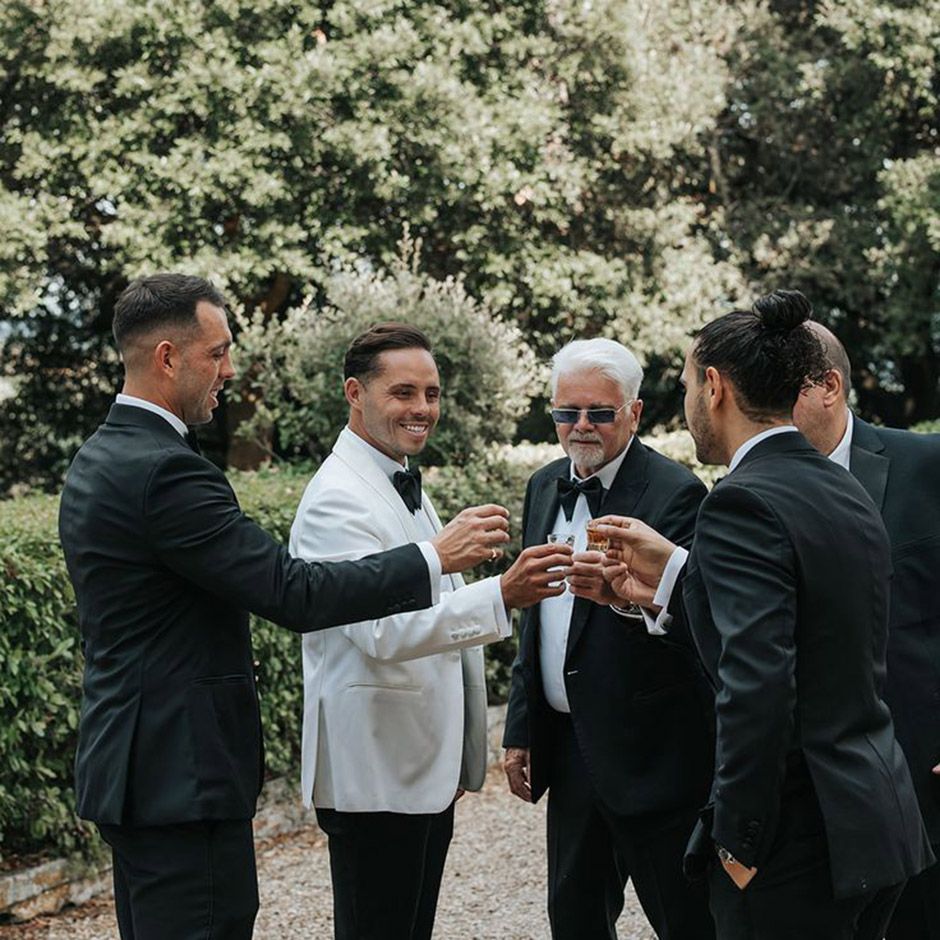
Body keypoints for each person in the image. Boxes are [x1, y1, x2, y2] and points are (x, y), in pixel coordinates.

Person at [58, 275, 510, 940]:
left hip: (138, 765)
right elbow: (293, 592)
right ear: (166, 358)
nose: (230, 370)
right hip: (180, 771)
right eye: (218, 353)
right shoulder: (168, 472)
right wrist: (432, 557)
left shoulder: (101, 458)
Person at [587, 290, 933, 940]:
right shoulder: (840, 483)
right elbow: (817, 627)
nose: (686, 405)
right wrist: (674, 584)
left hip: (800, 842)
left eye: (688, 384)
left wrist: (739, 844)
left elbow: (759, 686)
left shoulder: (739, 501)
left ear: (714, 386)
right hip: (879, 821)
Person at [289, 322, 573, 940]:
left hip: (418, 769)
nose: (422, 409)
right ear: (354, 393)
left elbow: (427, 602)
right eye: (404, 393)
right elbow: (381, 634)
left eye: (433, 394)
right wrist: (502, 593)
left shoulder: (400, 477)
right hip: (375, 773)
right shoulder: (338, 497)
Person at [501, 338, 715, 940]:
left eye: (599, 412)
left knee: (684, 916)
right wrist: (522, 728)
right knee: (574, 917)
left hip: (653, 750)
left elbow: (696, 627)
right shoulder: (544, 485)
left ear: (635, 413)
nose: (582, 426)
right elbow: (535, 623)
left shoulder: (676, 494)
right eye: (568, 412)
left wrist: (622, 600)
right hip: (568, 750)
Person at [793, 322, 940, 939]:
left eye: (778, 387)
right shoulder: (748, 490)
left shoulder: (927, 465)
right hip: (806, 787)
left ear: (828, 386)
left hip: (921, 770)